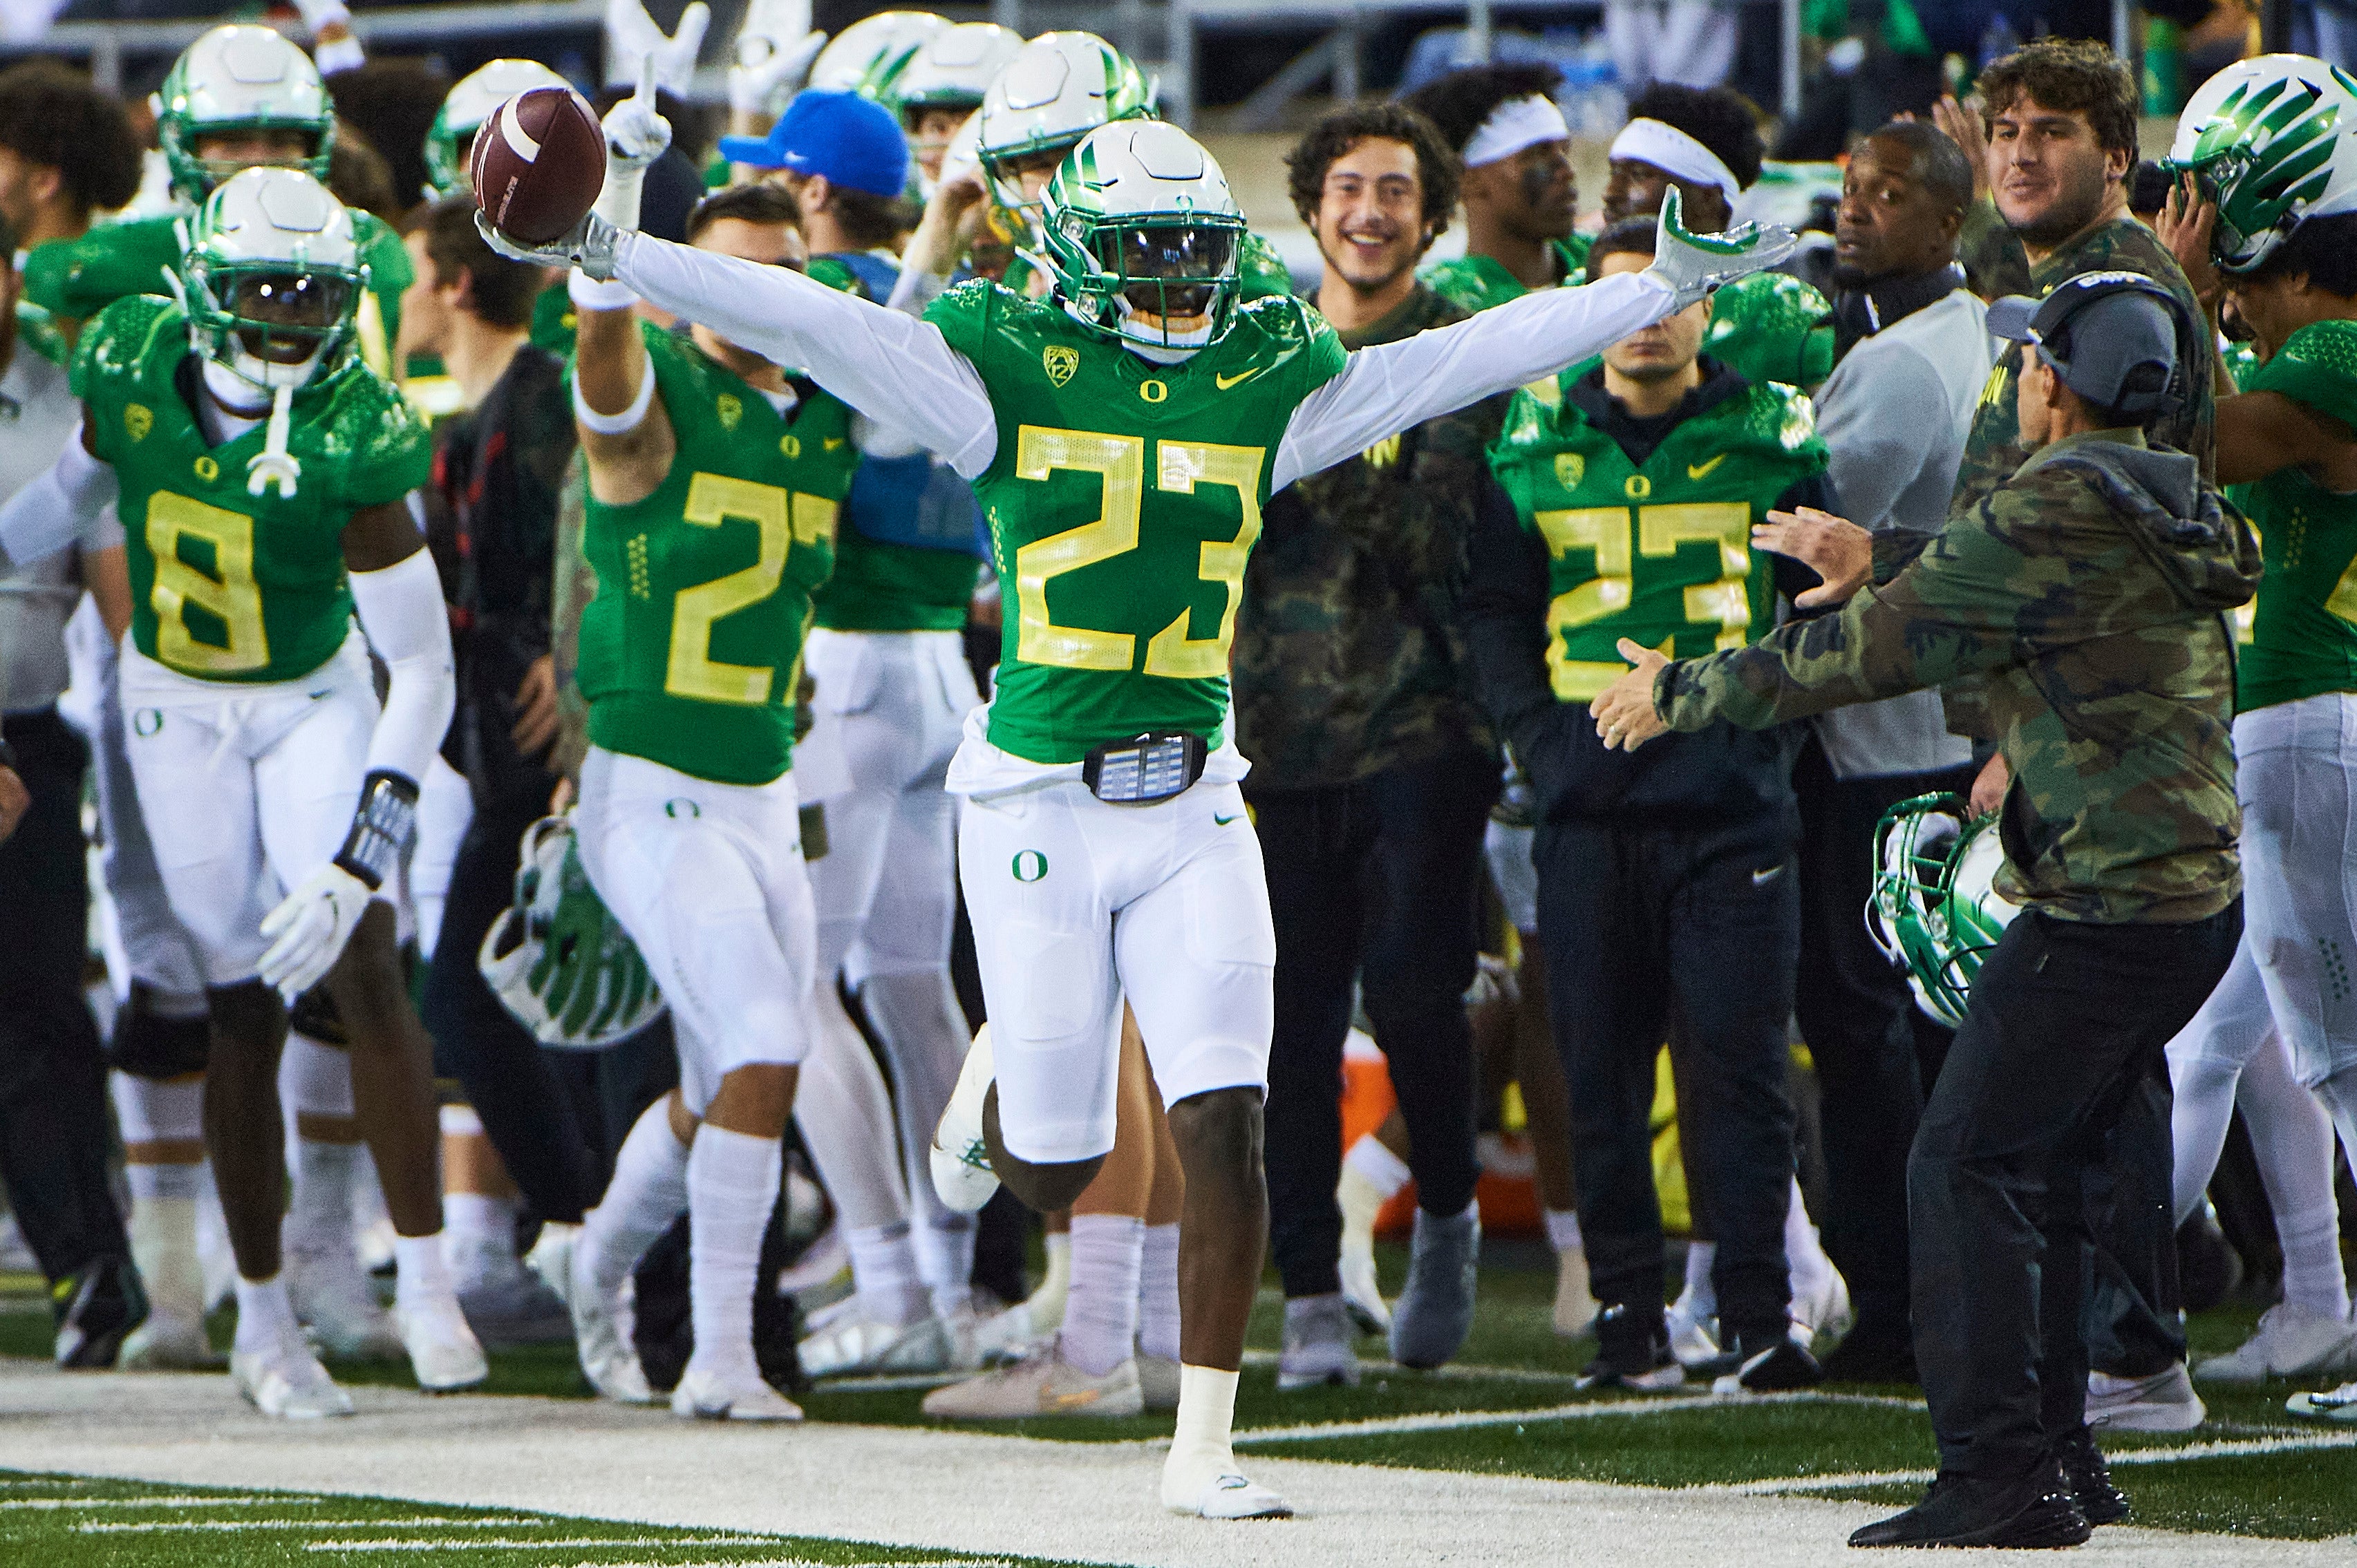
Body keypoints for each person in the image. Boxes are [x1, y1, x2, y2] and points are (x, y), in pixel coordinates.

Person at [487, 104, 1793, 1513]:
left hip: (1197, 803)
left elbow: (1443, 362)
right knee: (1051, 1169)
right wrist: (617, 248)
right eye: (1144, 255)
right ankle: (1004, 1084)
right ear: (1073, 257)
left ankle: (1205, 1453)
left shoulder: (1260, 364)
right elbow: (805, 319)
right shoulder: (1000, 362)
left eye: (1192, 252)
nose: (1176, 283)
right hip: (1039, 799)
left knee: (1220, 1112)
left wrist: (1654, 289)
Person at [1590, 270, 2253, 1547]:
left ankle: (2003, 1472)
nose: (2012, 376)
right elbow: (2017, 584)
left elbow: (1865, 654)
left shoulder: (2051, 499)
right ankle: (2061, 1459)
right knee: (2040, 1173)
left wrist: (1679, 689)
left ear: (2056, 380)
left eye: (2027, 361)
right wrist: (1888, 556)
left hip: (2104, 913)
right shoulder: (2160, 493)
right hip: (2184, 903)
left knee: (1961, 1164)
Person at [0, 166, 483, 1417]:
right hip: (177, 702)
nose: (284, 315)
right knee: (238, 994)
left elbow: (423, 664)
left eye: (310, 292)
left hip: (314, 692)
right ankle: (264, 1321)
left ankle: (427, 1277)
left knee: (361, 951)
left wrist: (359, 853)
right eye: (260, 288)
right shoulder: (131, 363)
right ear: (203, 292)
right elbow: (65, 500)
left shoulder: (355, 421)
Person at [1467, 218, 1837, 1398]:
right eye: (1627, 294)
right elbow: (1489, 615)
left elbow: (1822, 614)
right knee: (1596, 1072)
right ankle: (1627, 1317)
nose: (1650, 317)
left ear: (1712, 307)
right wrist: (1544, 742)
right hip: (1586, 811)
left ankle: (1757, 1318)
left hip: (1730, 811)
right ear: (1585, 303)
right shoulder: (1529, 439)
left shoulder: (1772, 435)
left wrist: (1752, 732)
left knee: (1738, 1069)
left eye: (1676, 294)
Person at [541, 90, 864, 1417]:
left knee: (709, 1082)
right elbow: (604, 363)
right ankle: (722, 1355)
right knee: (765, 1039)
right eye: (726, 276)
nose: (763, 298)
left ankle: (593, 1261)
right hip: (652, 785)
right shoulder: (658, 377)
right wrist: (617, 193)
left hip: (763, 786)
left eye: (782, 276)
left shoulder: (829, 408)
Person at [1938, 37, 2219, 1433]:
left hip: (2088, 731)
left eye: (2052, 130)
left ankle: (2129, 1346)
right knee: (2089, 1055)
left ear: (2119, 152)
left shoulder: (2124, 293)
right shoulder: (2061, 278)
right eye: (2000, 131)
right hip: (2065, 717)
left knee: (2091, 1054)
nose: (2018, 152)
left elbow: (2116, 537)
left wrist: (2021, 734)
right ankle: (2121, 1339)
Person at [714, 89, 1003, 1374]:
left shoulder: (842, 294)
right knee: (906, 982)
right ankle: (951, 1282)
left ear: (816, 195)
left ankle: (893, 1278)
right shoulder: (946, 297)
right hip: (943, 668)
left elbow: (868, 414)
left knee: (798, 988)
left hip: (844, 676)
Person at [1241, 98, 1498, 1390]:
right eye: (1347, 186)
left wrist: (1302, 433)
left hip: (1421, 731)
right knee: (1284, 1029)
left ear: (1430, 213)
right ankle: (1308, 1292)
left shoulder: (1452, 351)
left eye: (1396, 189)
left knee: (1412, 994)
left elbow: (1435, 545)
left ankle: (1446, 1216)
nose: (1369, 211)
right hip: (1267, 744)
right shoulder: (1253, 347)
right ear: (1310, 202)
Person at [2151, 55, 2357, 1399]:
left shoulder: (2335, 349)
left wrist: (2159, 295)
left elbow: (2181, 439)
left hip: (2308, 727)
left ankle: (2098, 1324)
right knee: (2207, 1048)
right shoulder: (2317, 346)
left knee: (2338, 1061)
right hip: (2305, 725)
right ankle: (2114, 1321)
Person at [1798, 118, 1987, 1382]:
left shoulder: (1903, 366)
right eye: (1850, 187)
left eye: (1889, 193)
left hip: (1880, 747)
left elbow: (1806, 541)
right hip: (1933, 737)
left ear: (1946, 219)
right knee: (1924, 1023)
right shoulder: (1951, 335)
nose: (1857, 209)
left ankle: (1904, 1306)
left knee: (1873, 1030)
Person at [398, 196, 591, 1343]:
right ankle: (583, 1222)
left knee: (470, 1002)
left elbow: (606, 532)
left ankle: (590, 1223)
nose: (404, 295)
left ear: (461, 284)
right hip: (494, 740)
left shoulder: (541, 402)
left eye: (419, 272)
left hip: (536, 742)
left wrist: (575, 671)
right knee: (494, 1001)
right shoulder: (477, 411)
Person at [0, 207, 145, 1368]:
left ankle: (88, 1263)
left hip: (31, 734)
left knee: (42, 1000)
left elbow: (113, 583)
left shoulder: (66, 398)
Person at [21, 26, 411, 375]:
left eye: (283, 140)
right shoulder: (130, 256)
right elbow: (48, 274)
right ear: (182, 143)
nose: (260, 159)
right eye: (233, 141)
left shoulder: (367, 246)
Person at [1602, 83, 1833, 391]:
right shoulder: (1583, 284)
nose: (1610, 194)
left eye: (1638, 175)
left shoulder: (1775, 309)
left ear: (1709, 200)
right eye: (1614, 173)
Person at [1405, 62, 1587, 307]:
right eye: (1537, 155)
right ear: (1467, 180)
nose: (1567, 171)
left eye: (1565, 151)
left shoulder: (1607, 265)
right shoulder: (1438, 302)